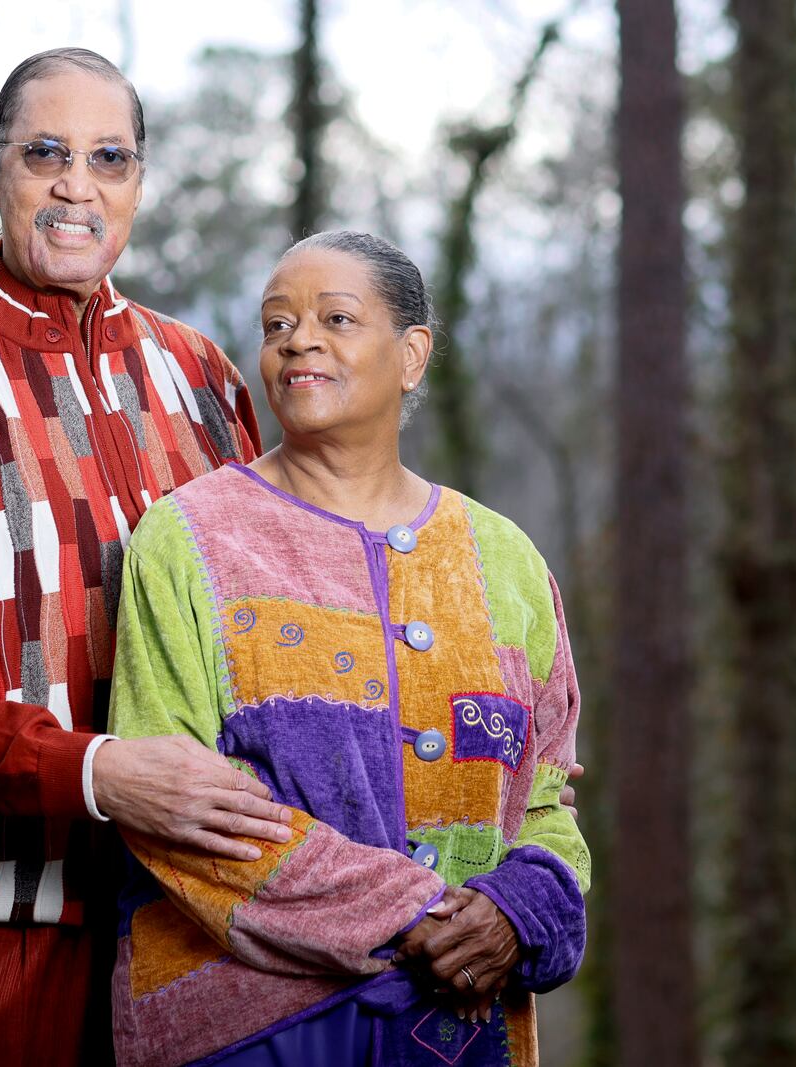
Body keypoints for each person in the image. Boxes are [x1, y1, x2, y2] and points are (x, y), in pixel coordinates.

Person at [0, 48, 298, 1067]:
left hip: (186, 937)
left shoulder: (202, 379)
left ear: (138, 183)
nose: (77, 185)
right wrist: (97, 771)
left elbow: (273, 637)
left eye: (109, 158)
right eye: (45, 153)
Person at [108, 231, 590, 1066]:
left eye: (336, 317)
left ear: (412, 355)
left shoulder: (506, 561)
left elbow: (546, 798)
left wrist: (521, 909)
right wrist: (418, 916)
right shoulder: (189, 538)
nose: (298, 339)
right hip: (249, 1029)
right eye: (276, 324)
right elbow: (173, 804)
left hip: (462, 1028)